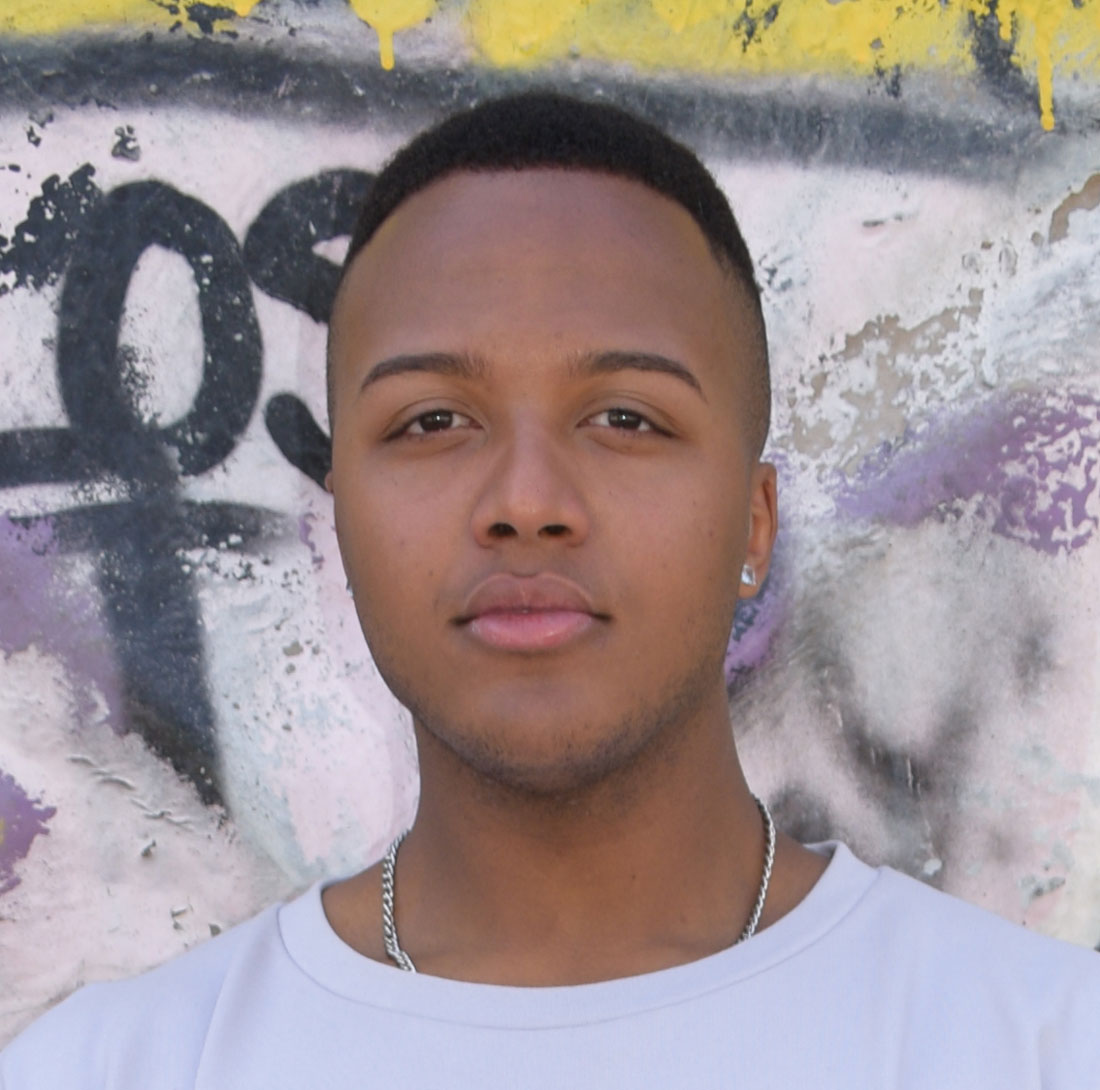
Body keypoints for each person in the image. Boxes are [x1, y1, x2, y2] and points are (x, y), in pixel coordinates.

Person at [3, 91, 1099, 1089]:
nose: (526, 501)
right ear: (339, 518)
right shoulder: (116, 1069)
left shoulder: (1041, 1046)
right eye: (433, 421)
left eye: (625, 418)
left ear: (753, 526)